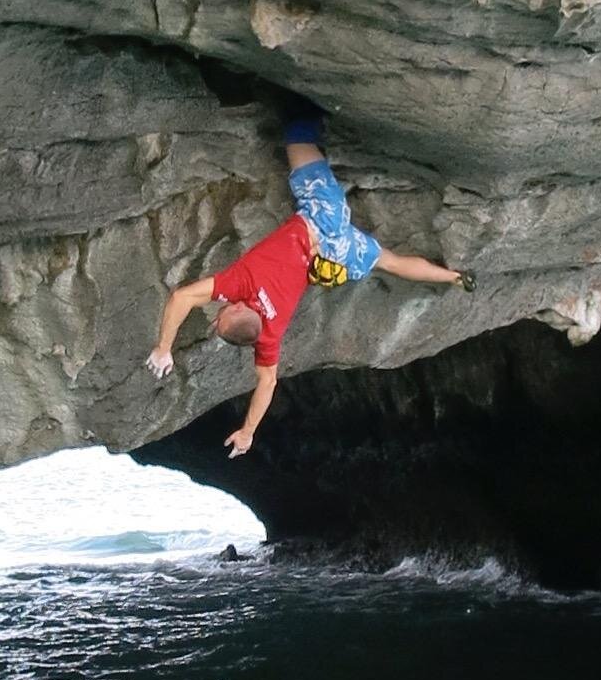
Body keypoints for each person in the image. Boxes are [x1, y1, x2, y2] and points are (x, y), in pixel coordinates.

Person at [145, 108, 472, 456]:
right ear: (238, 307)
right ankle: (323, 110)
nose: (219, 311)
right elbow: (182, 297)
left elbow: (267, 382)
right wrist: (163, 349)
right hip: (321, 217)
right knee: (297, 135)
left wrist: (248, 433)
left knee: (390, 262)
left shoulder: (269, 336)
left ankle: (453, 277)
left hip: (338, 256)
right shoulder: (241, 283)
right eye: (221, 314)